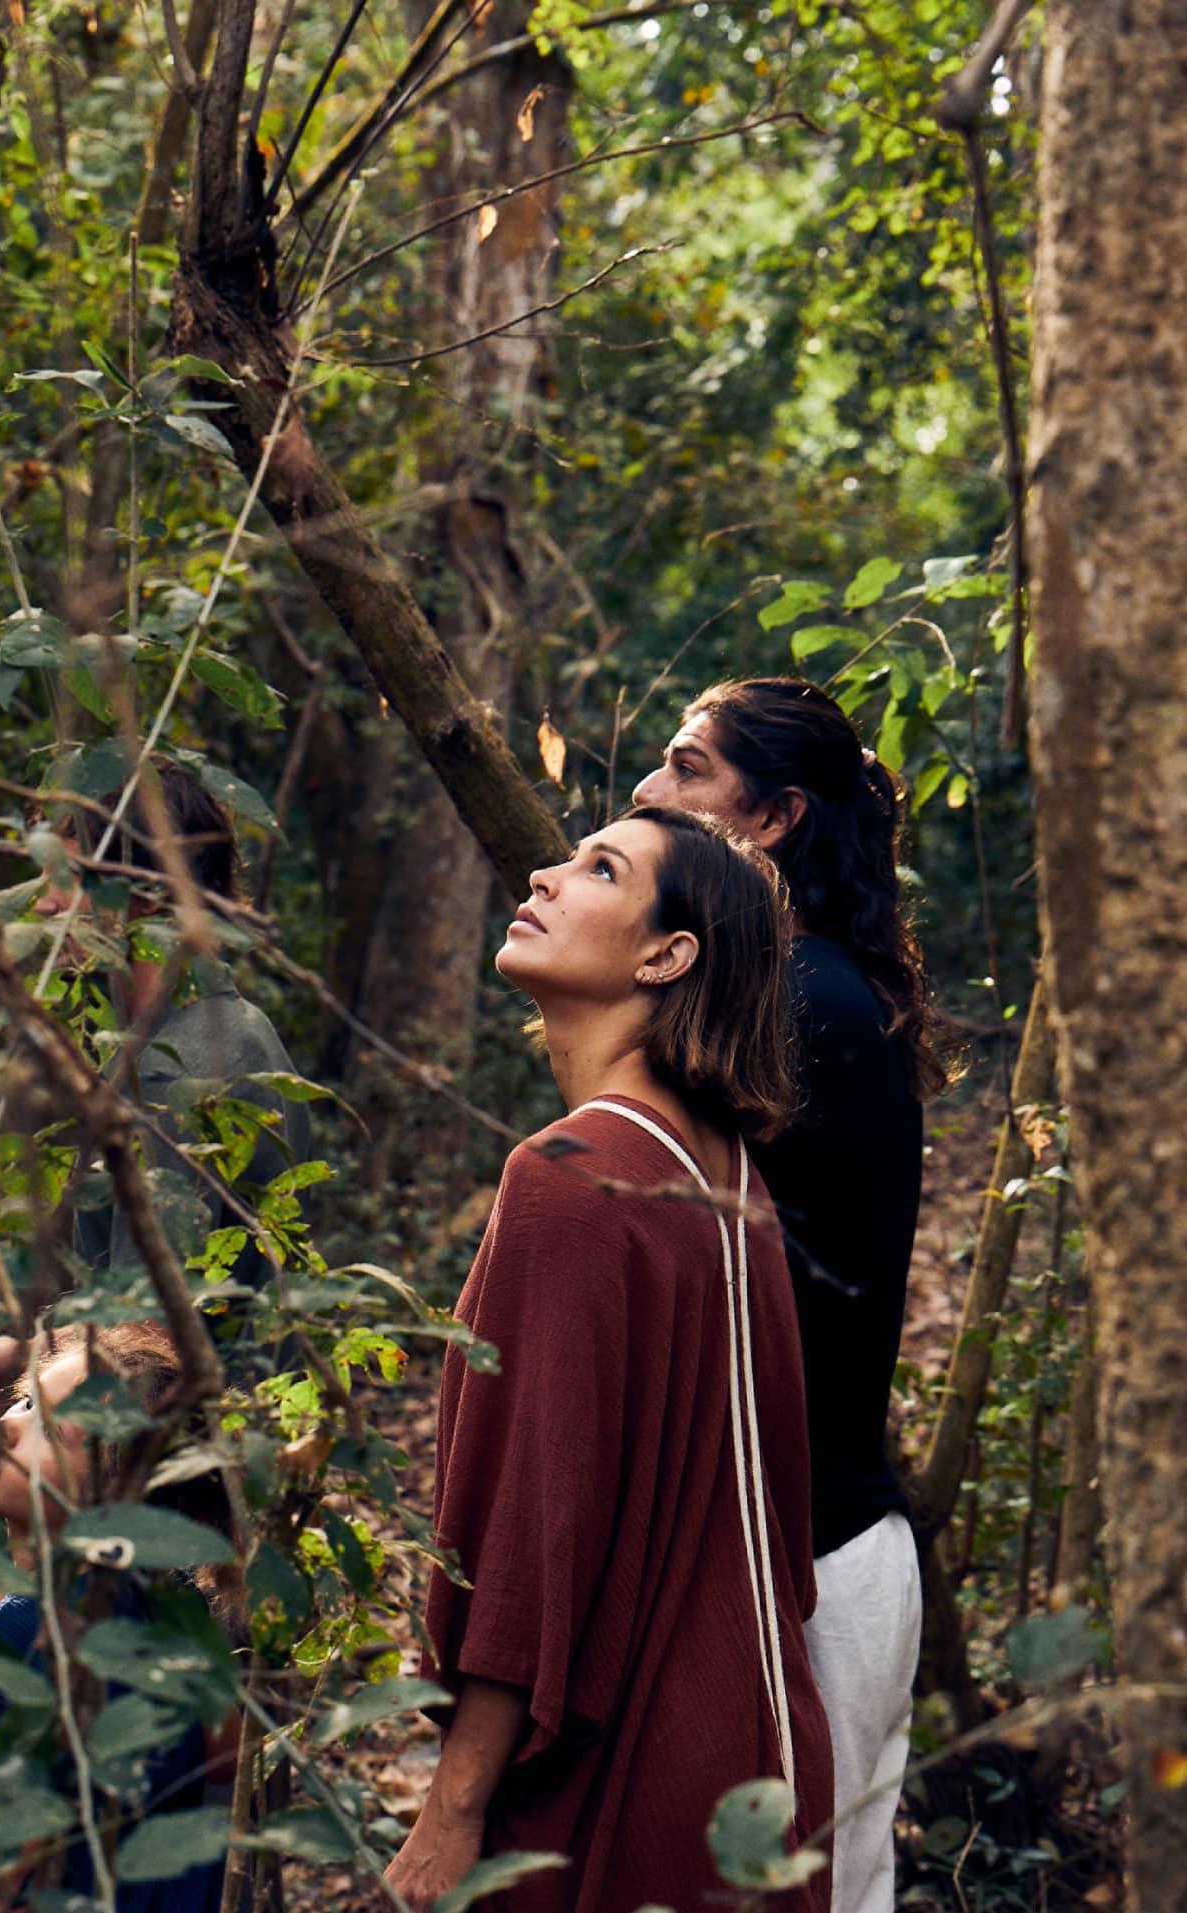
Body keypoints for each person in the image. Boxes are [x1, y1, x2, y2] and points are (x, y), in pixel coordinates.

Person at [388, 807, 833, 1913]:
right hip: (765, 1759)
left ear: (665, 955)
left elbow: (536, 1542)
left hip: (632, 1774)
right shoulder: (726, 1172)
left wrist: (450, 1812)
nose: (542, 872)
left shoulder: (571, 1172)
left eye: (597, 868)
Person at [633, 677, 948, 1913]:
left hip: (810, 1566)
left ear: (771, 818)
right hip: (794, 1555)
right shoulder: (787, 991)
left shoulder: (798, 1005)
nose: (651, 791)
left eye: (686, 768)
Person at [0, 760, 312, 1420]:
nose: (45, 904)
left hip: (186, 1463)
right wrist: (28, 1350)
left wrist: (33, 1354)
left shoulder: (180, 1077)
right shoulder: (232, 1031)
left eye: (69, 878)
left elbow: (144, 1342)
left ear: (146, 890)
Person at [0, 1319, 236, 1911]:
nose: (6, 1424)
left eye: (50, 1430)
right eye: (27, 1399)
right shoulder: (175, 1606)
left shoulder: (17, 1639)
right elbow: (226, 1758)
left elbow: (3, 1874)